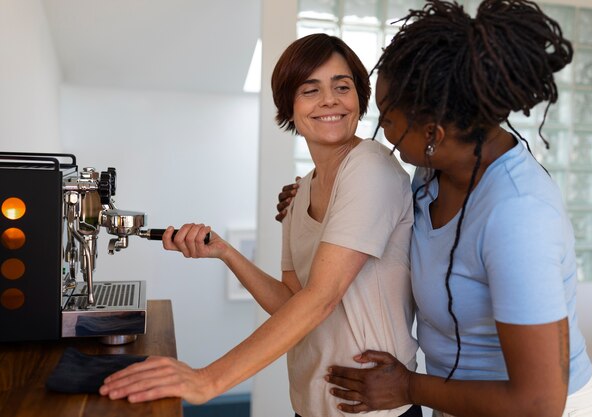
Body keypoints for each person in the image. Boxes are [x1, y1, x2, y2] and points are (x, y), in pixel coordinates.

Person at [277, 1, 592, 416]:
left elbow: (538, 402)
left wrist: (410, 386)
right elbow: (380, 217)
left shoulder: (519, 218)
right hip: (451, 396)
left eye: (390, 123)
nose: (385, 138)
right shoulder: (433, 171)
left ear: (433, 133)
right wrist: (313, 193)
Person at [99, 33, 420, 417]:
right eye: (310, 90)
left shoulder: (370, 167)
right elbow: (291, 301)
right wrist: (224, 252)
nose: (329, 100)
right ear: (289, 106)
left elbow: (322, 296)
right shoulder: (301, 193)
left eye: (342, 86)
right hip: (311, 405)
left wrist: (208, 380)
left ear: (359, 98)